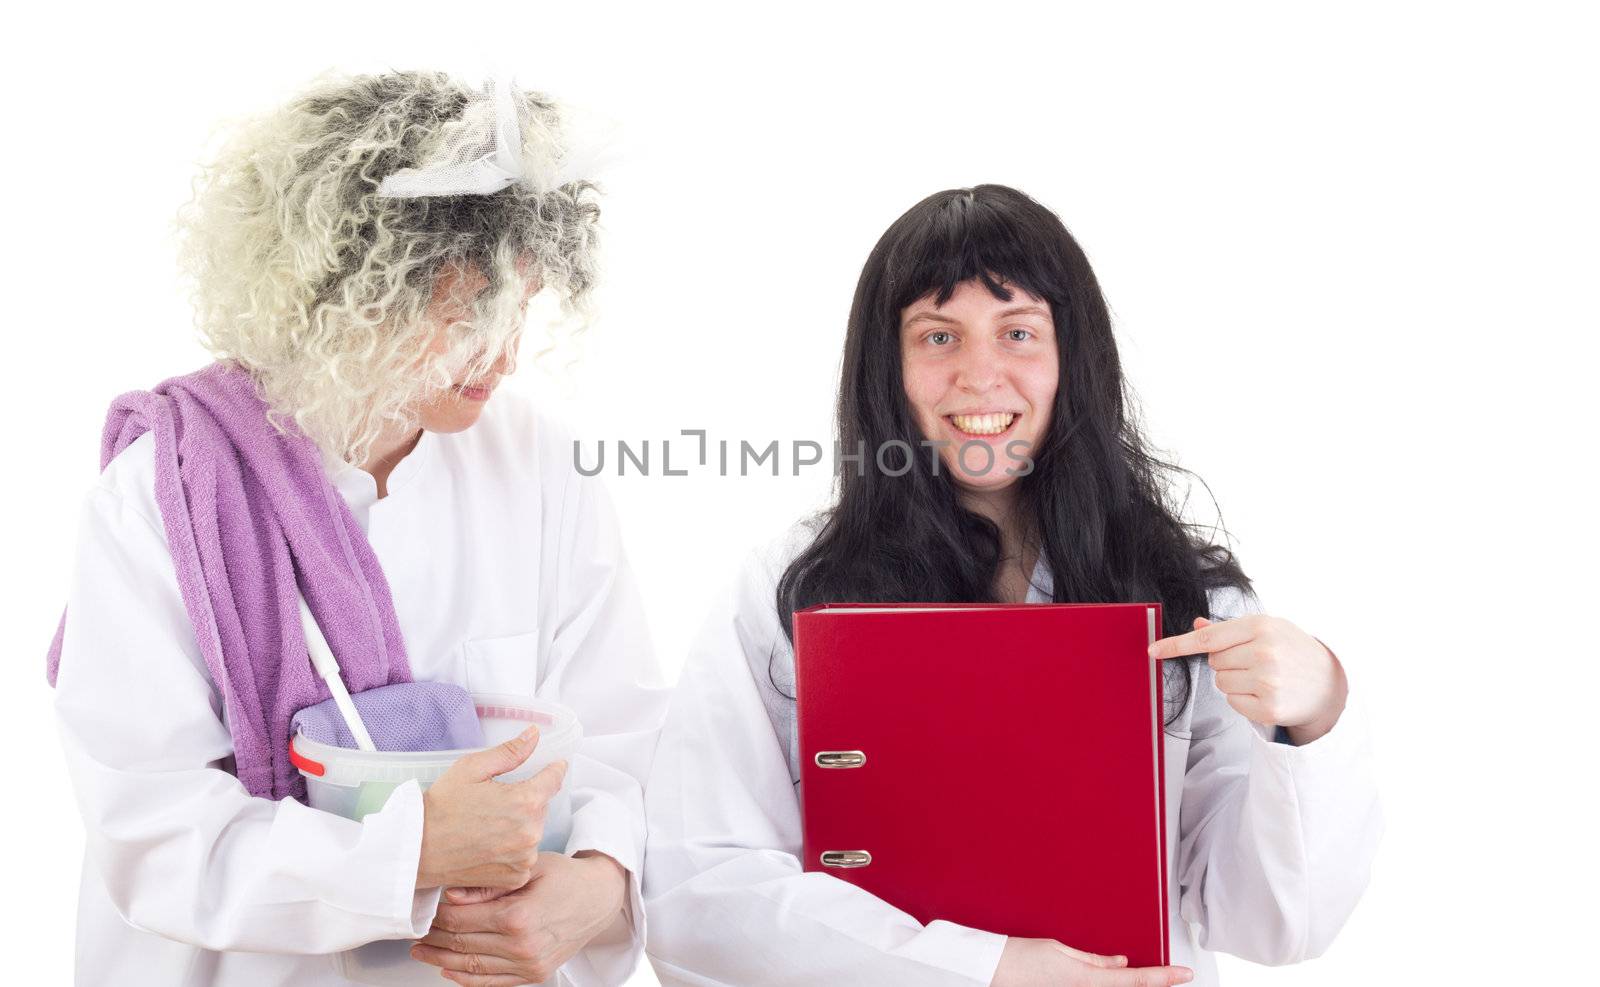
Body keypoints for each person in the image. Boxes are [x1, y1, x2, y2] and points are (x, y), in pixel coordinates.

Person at [642, 184, 1383, 987]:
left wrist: (1314, 717)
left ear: (1076, 358)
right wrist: (984, 970)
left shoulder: (1186, 593)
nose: (980, 376)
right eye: (937, 336)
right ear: (885, 367)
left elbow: (1278, 921)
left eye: (1019, 331)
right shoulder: (786, 594)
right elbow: (698, 895)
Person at [49, 70, 666, 986]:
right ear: (346, 292)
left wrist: (600, 880)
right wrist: (409, 852)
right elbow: (155, 831)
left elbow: (622, 734)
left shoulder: (535, 465)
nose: (500, 354)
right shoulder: (161, 498)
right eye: (463, 315)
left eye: (519, 307)